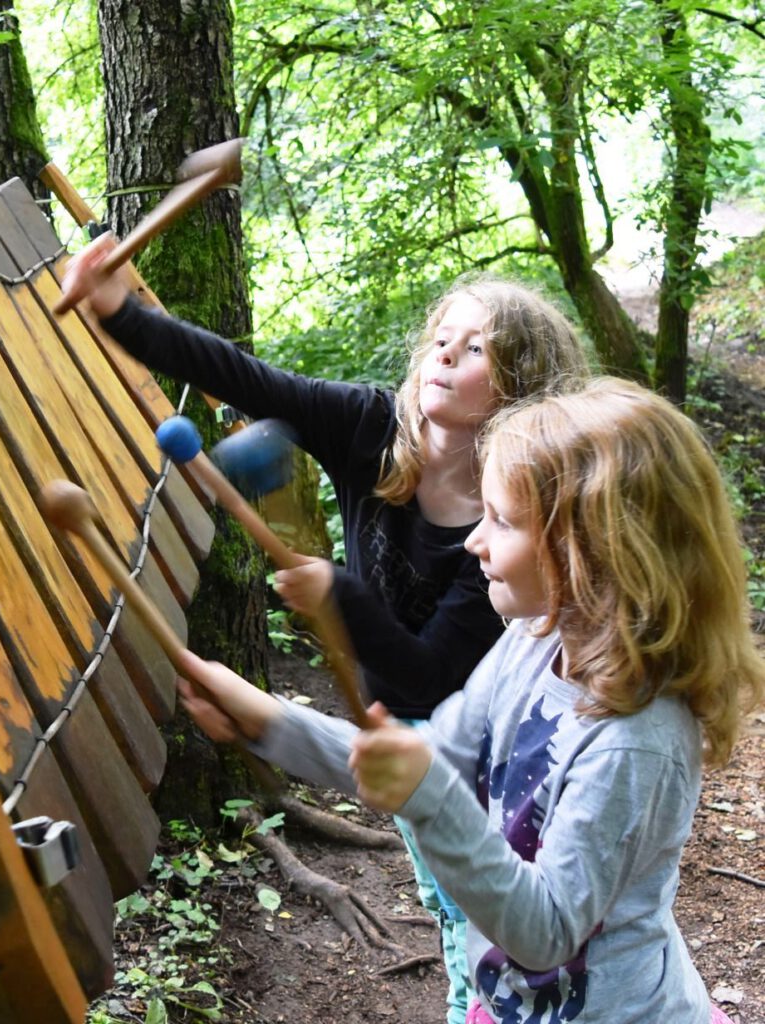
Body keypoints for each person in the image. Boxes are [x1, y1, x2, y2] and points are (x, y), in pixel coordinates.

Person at [60, 238, 589, 1023]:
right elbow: (248, 379)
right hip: (408, 730)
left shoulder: (513, 519)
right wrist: (120, 315)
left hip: (496, 724)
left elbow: (424, 676)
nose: (443, 352)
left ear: (518, 383)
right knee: (457, 911)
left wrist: (337, 595)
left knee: (503, 912)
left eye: (474, 347)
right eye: (440, 336)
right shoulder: (372, 424)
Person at [174, 377, 765, 1023]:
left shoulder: (635, 739)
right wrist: (266, 719)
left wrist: (429, 796)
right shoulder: (529, 641)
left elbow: (545, 932)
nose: (473, 542)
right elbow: (430, 758)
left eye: (502, 522)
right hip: (512, 999)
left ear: (592, 550)